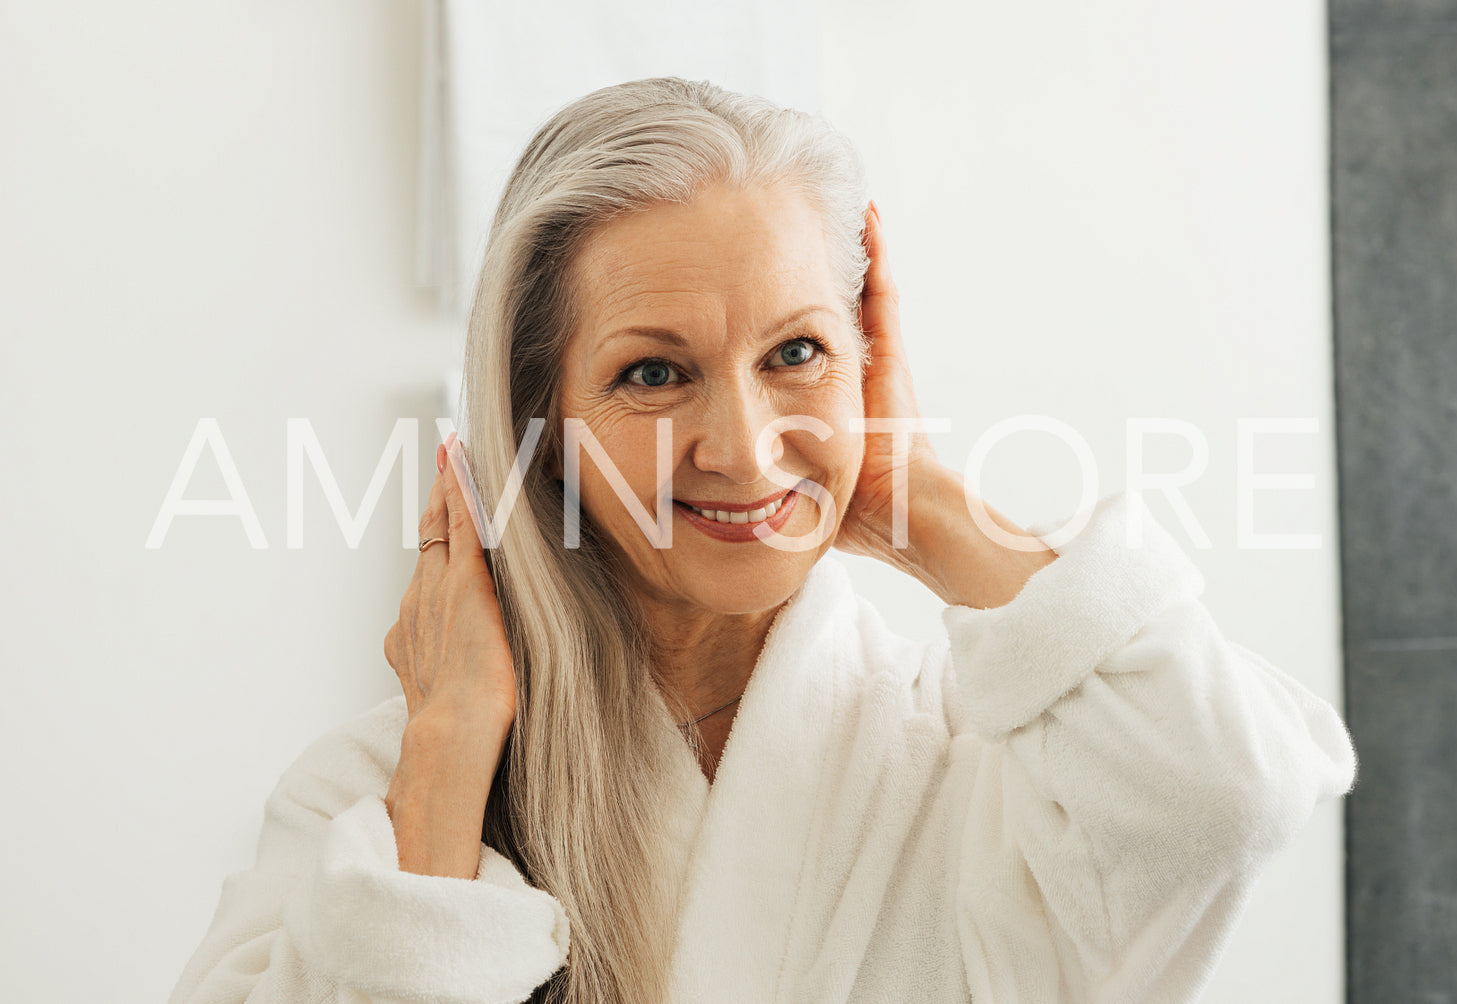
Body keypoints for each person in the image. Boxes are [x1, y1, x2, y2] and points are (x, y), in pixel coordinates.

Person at [169, 77, 1357, 1004]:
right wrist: (445, 760)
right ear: (541, 433)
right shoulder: (370, 804)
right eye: (653, 371)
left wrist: (916, 495)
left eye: (795, 353)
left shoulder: (986, 774)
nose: (741, 446)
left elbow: (1226, 790)